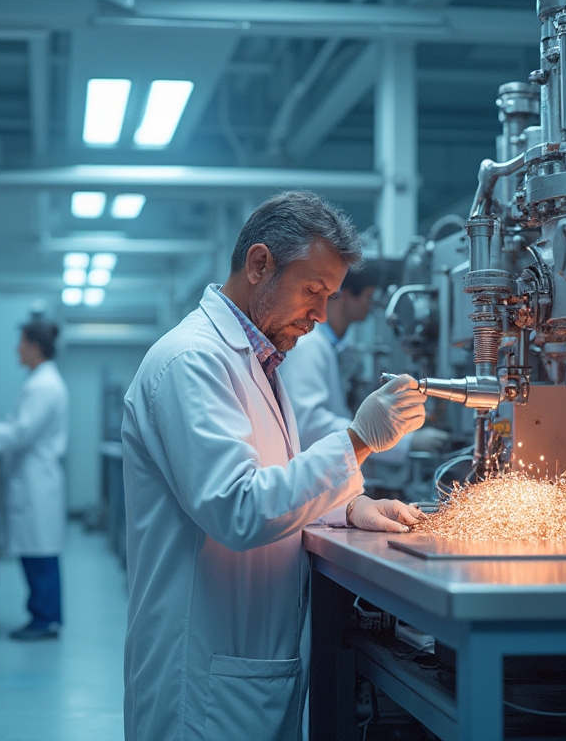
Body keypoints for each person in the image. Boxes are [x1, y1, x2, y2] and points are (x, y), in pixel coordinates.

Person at [121, 190, 427, 741]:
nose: (320, 314)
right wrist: (358, 440)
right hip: (203, 676)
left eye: (330, 296)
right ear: (260, 264)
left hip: (245, 661)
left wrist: (349, 506)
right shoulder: (192, 361)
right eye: (313, 290)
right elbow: (239, 508)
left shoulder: (256, 361)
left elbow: (272, 475)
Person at [280, 263, 451, 462]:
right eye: (368, 296)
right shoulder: (309, 346)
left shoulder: (332, 345)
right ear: (346, 296)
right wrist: (403, 442)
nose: (371, 306)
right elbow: (310, 425)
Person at [0, 318, 69, 641]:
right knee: (37, 551)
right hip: (33, 479)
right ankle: (44, 616)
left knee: (39, 553)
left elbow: (20, 432)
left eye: (22, 342)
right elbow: (19, 426)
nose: (17, 349)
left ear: (35, 346)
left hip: (36, 481)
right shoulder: (42, 382)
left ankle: (45, 620)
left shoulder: (44, 385)